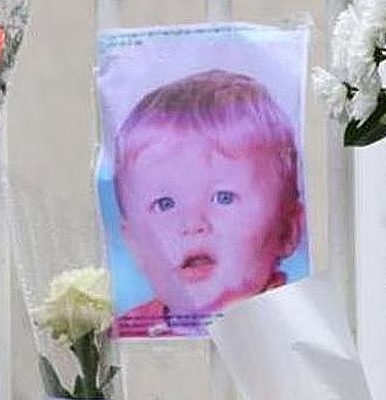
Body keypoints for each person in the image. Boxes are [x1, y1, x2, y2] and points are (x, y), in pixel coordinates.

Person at [113, 69, 305, 337]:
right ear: (134, 244)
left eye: (223, 198)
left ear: (287, 230)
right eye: (165, 204)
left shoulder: (296, 328)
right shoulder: (127, 338)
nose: (192, 224)